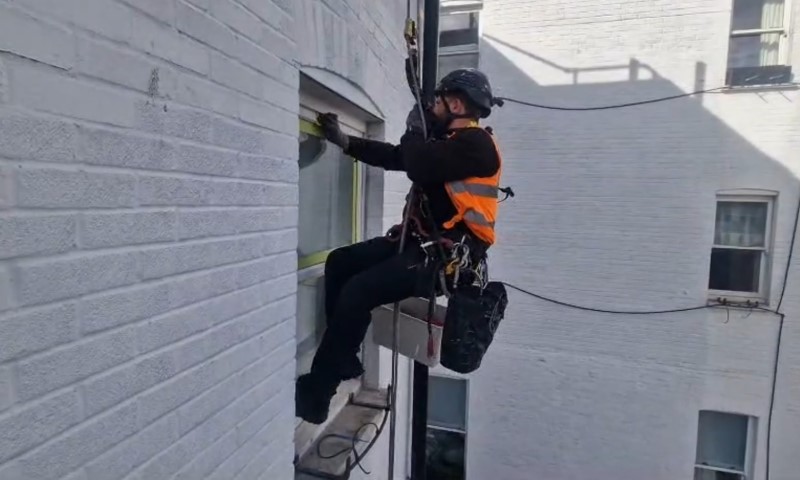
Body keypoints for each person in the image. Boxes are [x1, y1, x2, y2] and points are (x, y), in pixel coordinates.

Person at [295, 68, 504, 424]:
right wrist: (347, 143)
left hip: (444, 258)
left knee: (359, 291)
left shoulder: (478, 145)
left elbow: (416, 164)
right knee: (342, 262)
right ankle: (344, 356)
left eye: (438, 101)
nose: (433, 106)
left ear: (455, 104)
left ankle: (317, 394)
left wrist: (413, 132)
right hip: (420, 244)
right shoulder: (448, 145)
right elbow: (400, 157)